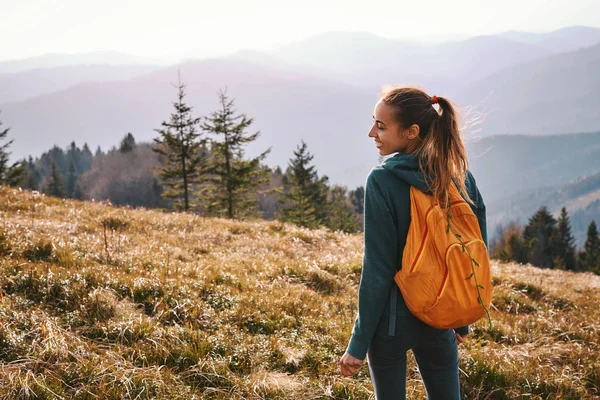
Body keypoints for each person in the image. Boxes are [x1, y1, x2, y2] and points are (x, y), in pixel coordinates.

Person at [339, 86, 487, 399]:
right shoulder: (459, 174)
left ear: (411, 132)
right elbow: (474, 247)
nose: (371, 133)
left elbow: (378, 271)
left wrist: (358, 344)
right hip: (440, 315)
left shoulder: (382, 180)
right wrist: (460, 321)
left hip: (393, 323)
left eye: (381, 126)